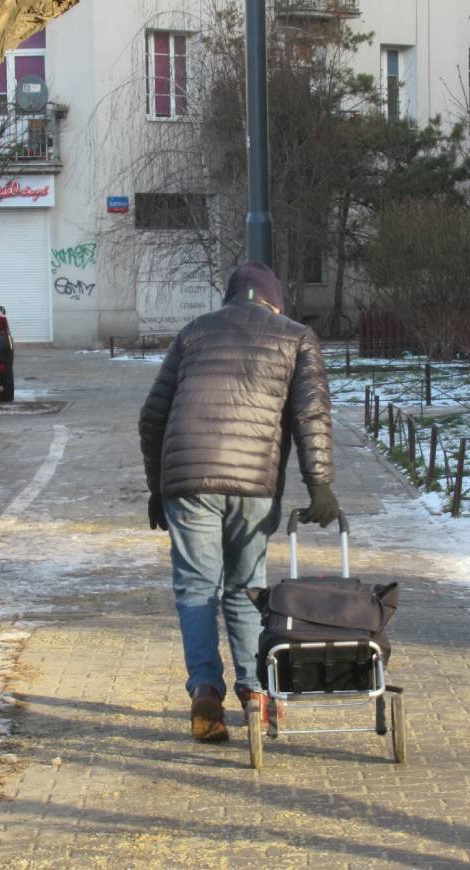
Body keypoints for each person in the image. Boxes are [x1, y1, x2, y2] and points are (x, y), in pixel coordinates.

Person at [138, 261, 339, 742]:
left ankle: (206, 692)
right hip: (254, 485)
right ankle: (256, 694)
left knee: (195, 589)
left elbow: (152, 417)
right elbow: (310, 414)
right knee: (247, 586)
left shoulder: (193, 333)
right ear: (275, 301)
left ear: (231, 298)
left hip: (188, 483)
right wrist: (321, 486)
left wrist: (157, 487)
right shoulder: (294, 336)